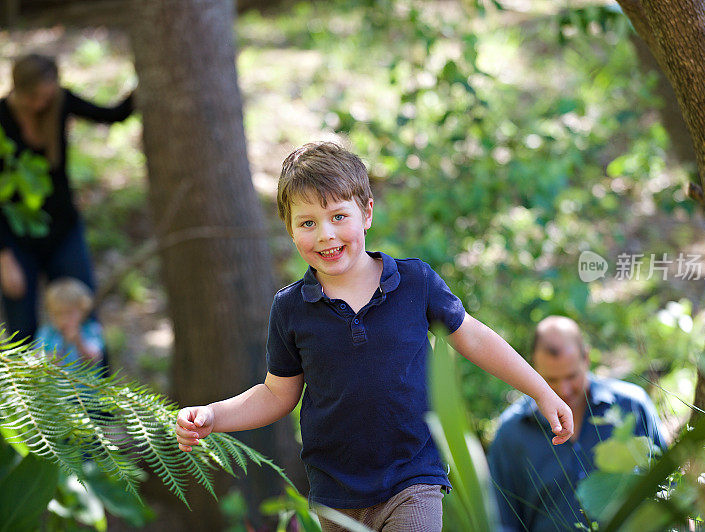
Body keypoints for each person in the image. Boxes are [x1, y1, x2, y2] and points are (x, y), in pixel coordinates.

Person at [174, 142, 575, 531]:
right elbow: (277, 394)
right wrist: (214, 415)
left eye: (338, 216)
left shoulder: (415, 283)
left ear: (366, 213)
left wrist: (541, 391)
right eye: (308, 223)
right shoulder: (291, 309)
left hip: (413, 479)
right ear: (290, 229)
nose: (326, 235)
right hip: (336, 492)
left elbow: (474, 338)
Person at [0, 53, 134, 361]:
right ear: (18, 90)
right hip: (15, 239)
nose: (39, 105)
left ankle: (100, 408)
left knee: (84, 318)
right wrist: (4, 256)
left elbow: (113, 115)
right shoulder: (1, 119)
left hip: (63, 231)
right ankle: (38, 408)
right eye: (32, 97)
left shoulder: (60, 103)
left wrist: (140, 89)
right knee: (22, 332)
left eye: (46, 97)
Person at [487, 316, 668, 532]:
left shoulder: (632, 406)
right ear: (533, 367)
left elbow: (666, 488)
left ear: (586, 358)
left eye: (572, 376)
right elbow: (502, 522)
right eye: (551, 380)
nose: (564, 390)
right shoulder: (512, 432)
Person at [34, 277, 104, 369]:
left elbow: (95, 359)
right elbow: (34, 358)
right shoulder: (47, 332)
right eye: (58, 314)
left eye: (69, 313)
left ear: (83, 310)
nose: (64, 319)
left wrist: (79, 342)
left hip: (85, 383)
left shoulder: (91, 330)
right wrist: (47, 360)